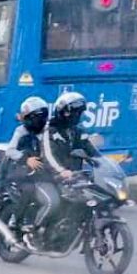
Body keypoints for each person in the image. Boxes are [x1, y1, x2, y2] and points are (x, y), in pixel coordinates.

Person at [39, 90, 99, 230]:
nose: (75, 116)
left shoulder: (76, 131)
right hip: (48, 177)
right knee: (53, 203)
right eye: (73, 113)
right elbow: (48, 156)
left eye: (78, 113)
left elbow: (90, 150)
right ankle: (35, 231)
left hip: (72, 178)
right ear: (62, 112)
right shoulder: (50, 130)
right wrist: (62, 171)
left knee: (90, 199)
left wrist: (102, 163)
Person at [2, 96, 50, 231]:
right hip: (22, 171)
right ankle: (15, 220)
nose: (40, 120)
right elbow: (10, 151)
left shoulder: (47, 130)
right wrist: (26, 159)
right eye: (36, 117)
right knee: (29, 189)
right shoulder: (21, 131)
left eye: (42, 116)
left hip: (42, 171)